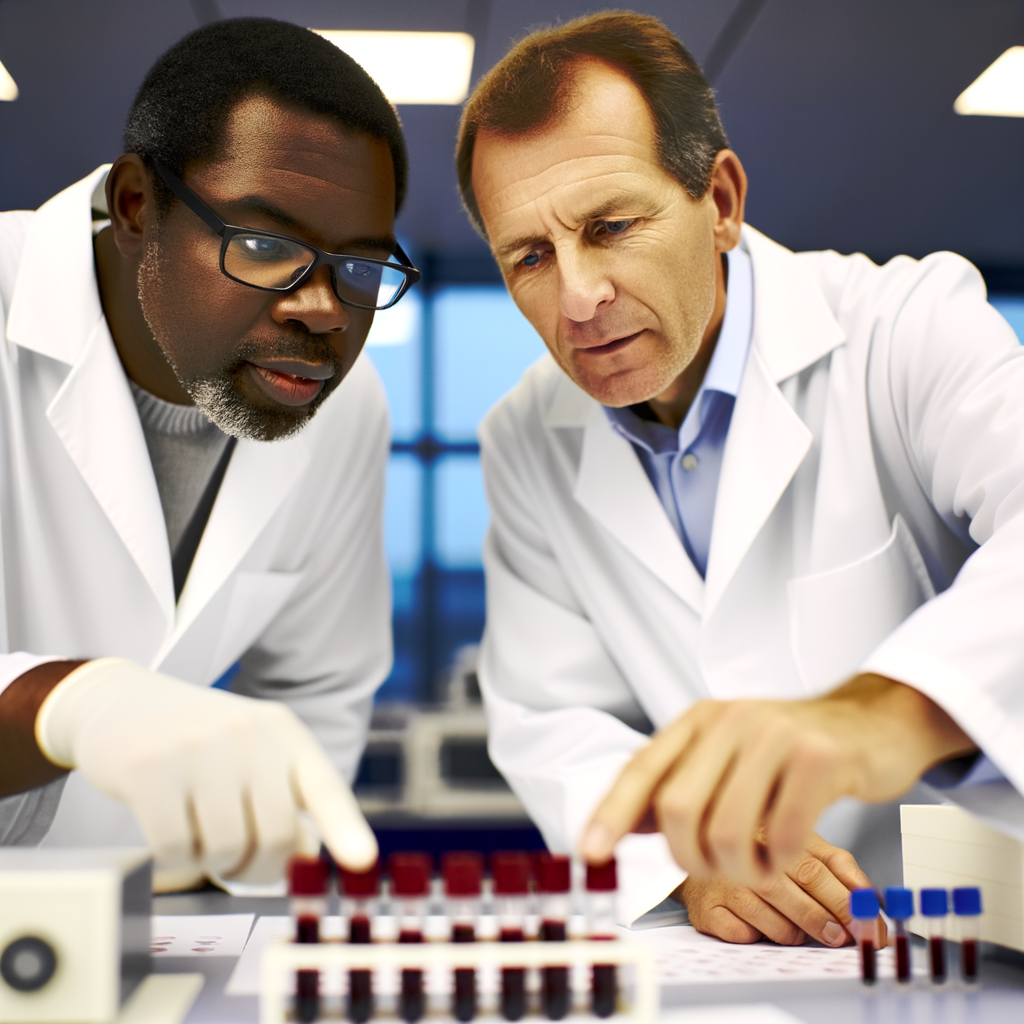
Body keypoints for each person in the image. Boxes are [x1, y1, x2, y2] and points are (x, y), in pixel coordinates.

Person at [459, 11, 1024, 944]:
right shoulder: (525, 436)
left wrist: (883, 713)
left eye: (611, 226)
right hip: (740, 956)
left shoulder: (905, 328)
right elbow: (552, 715)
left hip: (969, 924)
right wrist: (683, 852)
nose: (578, 298)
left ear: (719, 202)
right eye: (530, 256)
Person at [0, 18, 418, 891]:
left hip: (152, 919)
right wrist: (59, 704)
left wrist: (233, 871)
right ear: (136, 207)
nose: (324, 310)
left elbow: (316, 696)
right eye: (264, 245)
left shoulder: (345, 405)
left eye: (360, 267)